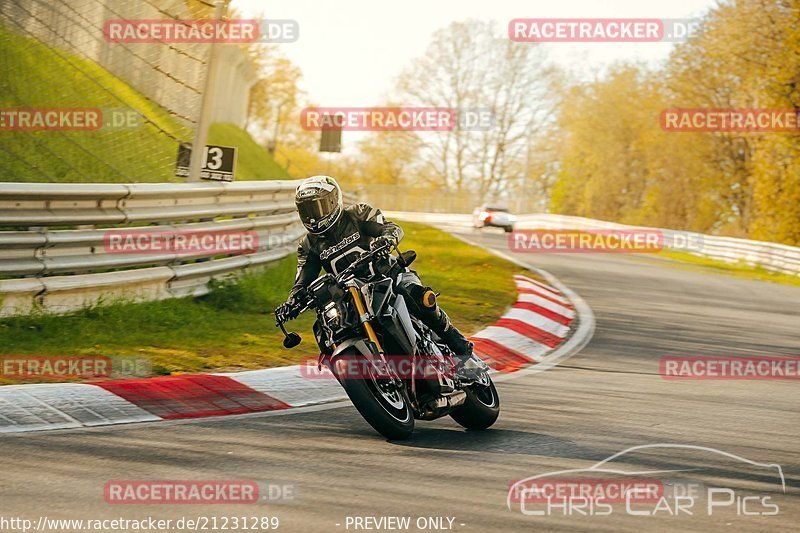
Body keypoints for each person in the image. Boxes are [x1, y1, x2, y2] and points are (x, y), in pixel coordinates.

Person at [275, 175, 478, 377]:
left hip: (388, 275)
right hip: (352, 297)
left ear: (333, 201)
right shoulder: (308, 245)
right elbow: (302, 280)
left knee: (420, 298)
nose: (313, 216)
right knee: (330, 329)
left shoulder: (358, 213)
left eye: (317, 208)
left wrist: (386, 239)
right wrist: (292, 302)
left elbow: (391, 227)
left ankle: (461, 350)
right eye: (306, 210)